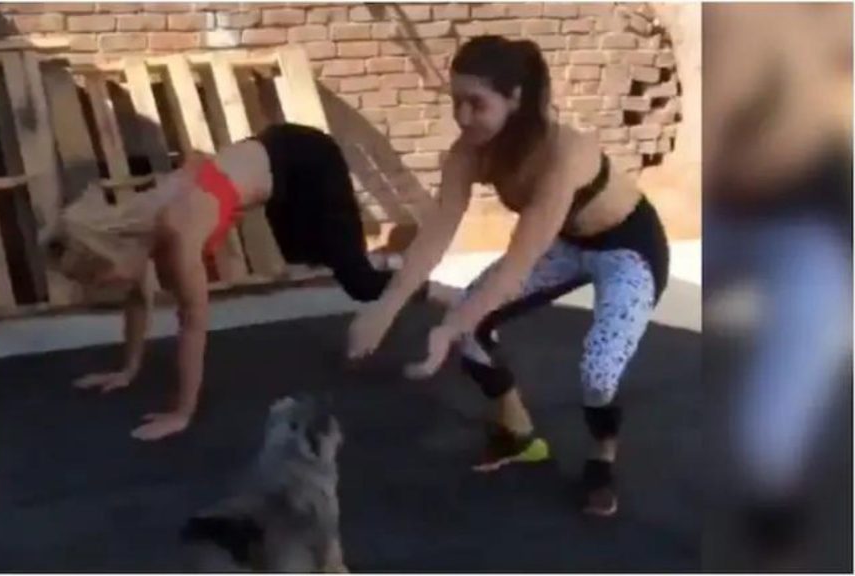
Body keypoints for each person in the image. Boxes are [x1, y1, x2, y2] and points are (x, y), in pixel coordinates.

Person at [348, 36, 670, 517]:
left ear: (515, 98)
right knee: (471, 327)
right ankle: (518, 434)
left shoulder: (564, 156)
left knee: (598, 372)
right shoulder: (468, 152)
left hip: (628, 247)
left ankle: (602, 454)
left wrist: (448, 328)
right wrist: (386, 306)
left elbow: (518, 266)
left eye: (476, 103)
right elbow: (437, 232)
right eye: (455, 101)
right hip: (566, 243)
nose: (461, 116)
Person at [47, 122, 395, 441]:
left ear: (109, 256)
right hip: (273, 158)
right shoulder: (133, 224)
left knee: (358, 282)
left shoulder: (177, 229)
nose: (103, 286)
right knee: (301, 253)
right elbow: (136, 296)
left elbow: (194, 323)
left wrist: (180, 414)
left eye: (99, 277)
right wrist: (127, 369)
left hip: (310, 160)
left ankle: (422, 283)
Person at [703, 4, 852, 566]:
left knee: (769, 436)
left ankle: (773, 509)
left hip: (805, 220)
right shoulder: (734, 21)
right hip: (728, 209)